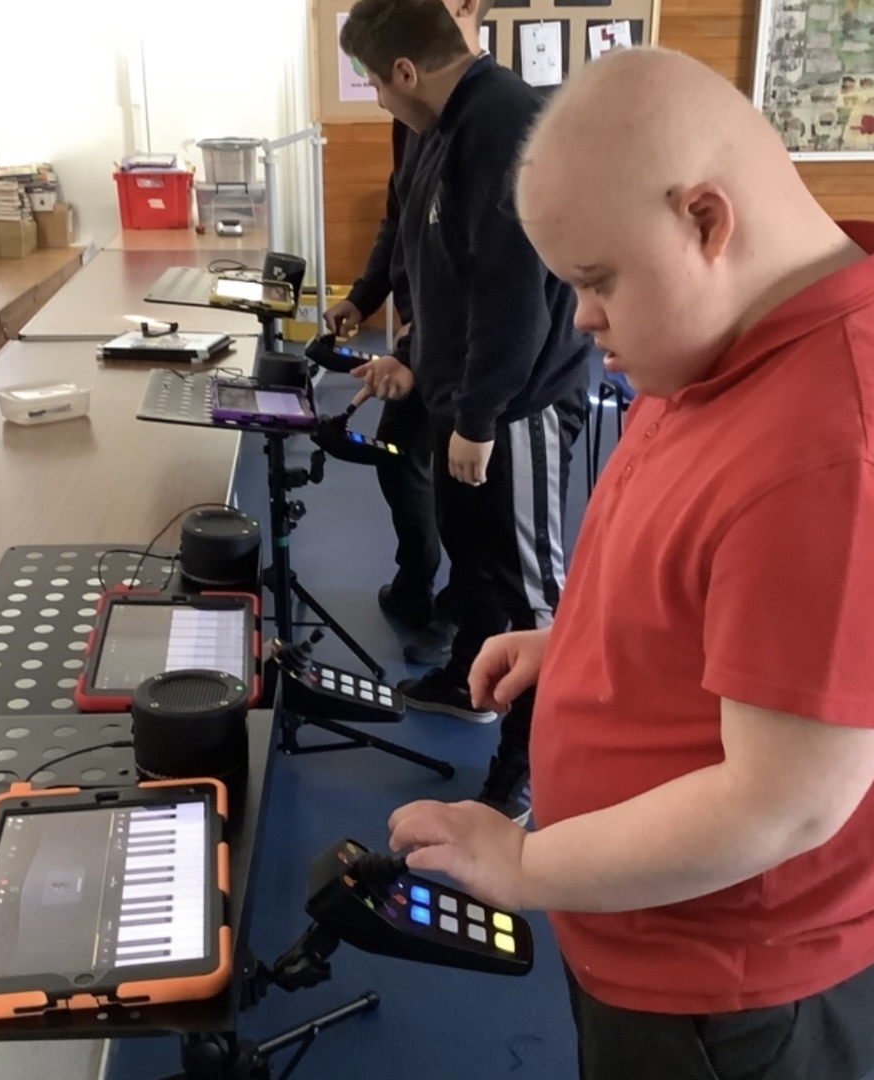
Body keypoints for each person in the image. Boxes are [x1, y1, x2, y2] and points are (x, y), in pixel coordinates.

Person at [386, 48, 874, 1079]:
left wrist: (525, 861)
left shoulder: (843, 459)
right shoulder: (725, 338)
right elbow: (703, 570)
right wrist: (582, 646)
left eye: (596, 281)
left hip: (730, 988)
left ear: (706, 222)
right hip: (649, 925)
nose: (581, 318)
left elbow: (784, 801)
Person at [340, 0, 591, 822]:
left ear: (405, 72)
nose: (377, 97)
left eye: (375, 83)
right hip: (466, 392)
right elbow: (440, 272)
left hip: (519, 402)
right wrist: (414, 366)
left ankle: (530, 766)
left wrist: (479, 417)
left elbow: (513, 290)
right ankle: (471, 681)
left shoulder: (502, 122)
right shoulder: (438, 125)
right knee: (471, 559)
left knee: (526, 590)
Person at [324, 0, 496, 668]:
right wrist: (364, 296)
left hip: (475, 355)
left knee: (469, 498)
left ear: (466, 9)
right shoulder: (413, 113)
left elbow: (489, 282)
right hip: (424, 337)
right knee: (400, 456)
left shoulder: (488, 118)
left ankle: (461, 614)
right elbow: (399, 216)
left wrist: (421, 363)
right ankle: (417, 578)